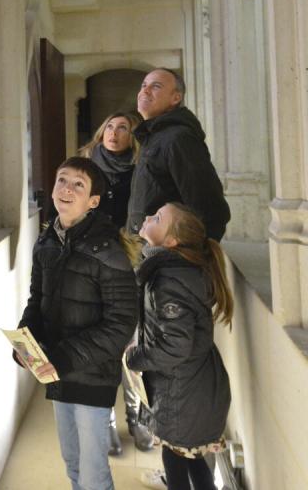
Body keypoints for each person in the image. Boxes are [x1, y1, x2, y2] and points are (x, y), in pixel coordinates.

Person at [16, 156, 138, 490]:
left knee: (93, 472)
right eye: (62, 180)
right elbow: (37, 299)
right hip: (58, 371)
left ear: (93, 201)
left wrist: (65, 357)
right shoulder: (47, 240)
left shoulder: (108, 251)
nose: (66, 189)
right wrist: (26, 342)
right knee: (72, 462)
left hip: (91, 376)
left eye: (78, 185)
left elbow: (121, 324)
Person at [125, 202, 232, 490]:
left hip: (182, 392)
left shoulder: (169, 279)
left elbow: (174, 346)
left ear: (171, 241)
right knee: (192, 460)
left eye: (158, 217)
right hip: (192, 387)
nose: (148, 217)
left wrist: (134, 357)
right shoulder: (175, 270)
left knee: (177, 464)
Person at [80, 112, 154, 455]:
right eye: (109, 125)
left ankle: (137, 415)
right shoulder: (84, 167)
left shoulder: (141, 171)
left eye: (122, 127)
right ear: (100, 132)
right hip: (93, 266)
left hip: (131, 264)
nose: (114, 131)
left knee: (132, 343)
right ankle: (107, 419)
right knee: (101, 345)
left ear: (132, 137)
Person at [126, 68, 231, 241]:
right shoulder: (154, 136)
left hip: (167, 251)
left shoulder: (178, 139)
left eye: (156, 86)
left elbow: (211, 208)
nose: (144, 91)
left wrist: (195, 256)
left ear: (176, 98)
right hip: (149, 247)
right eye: (144, 85)